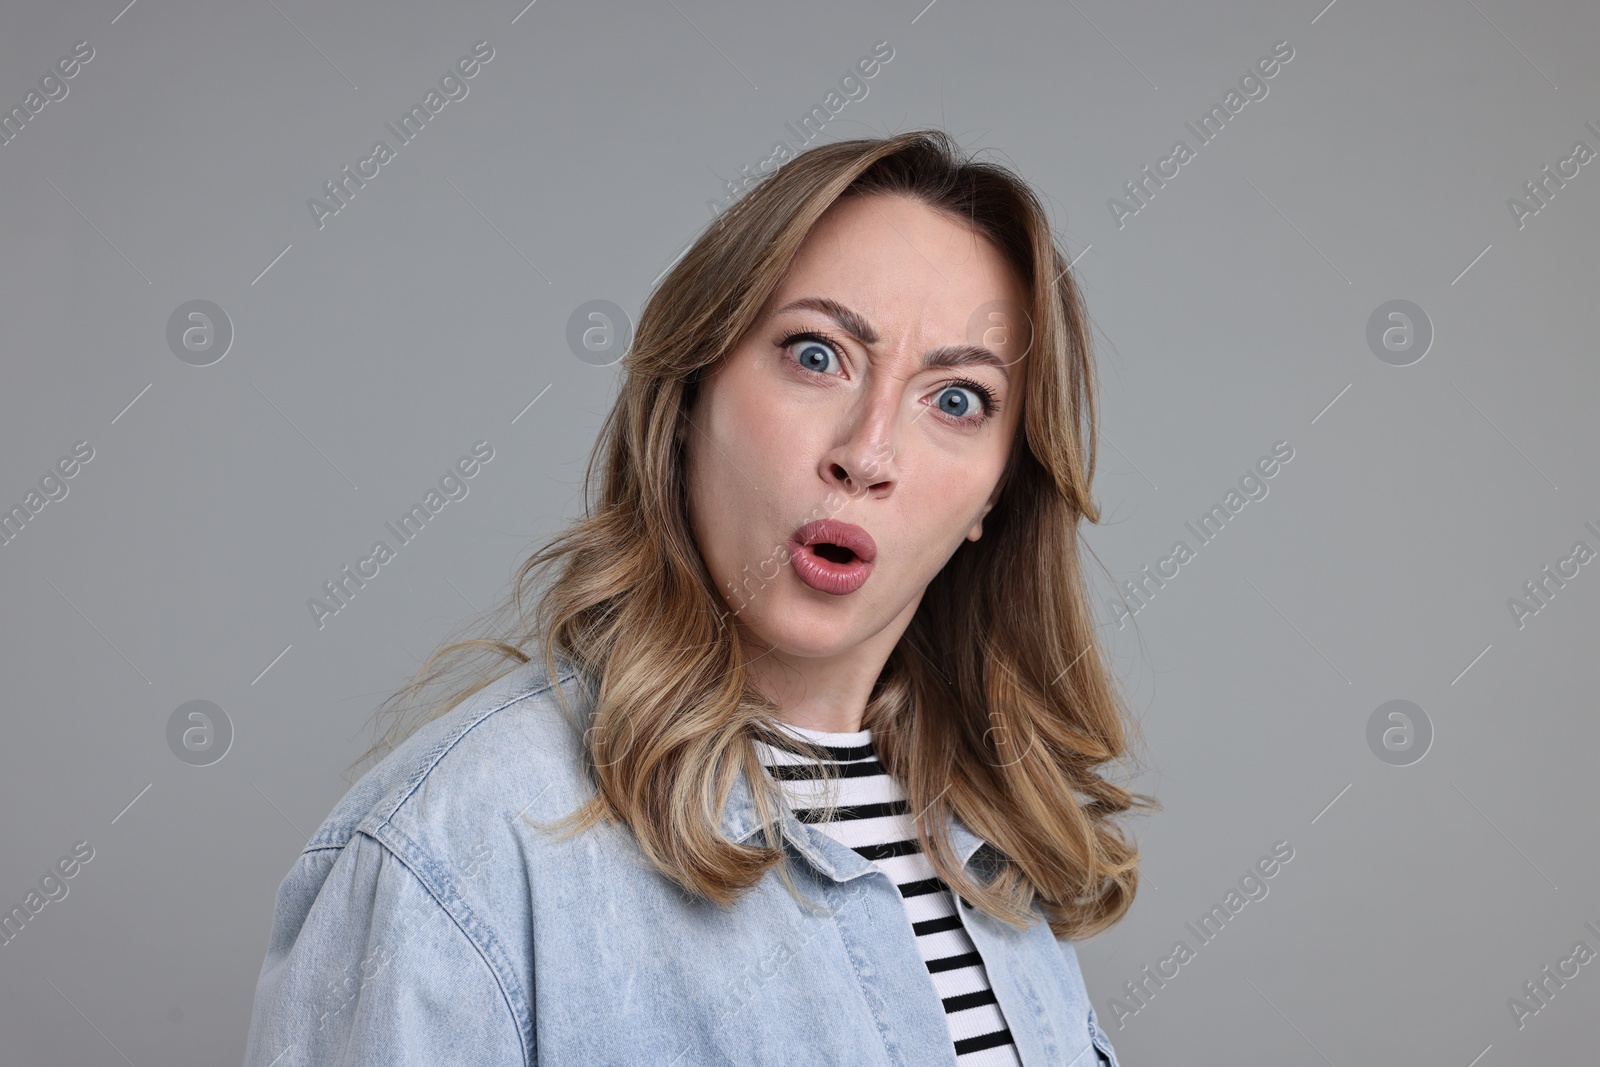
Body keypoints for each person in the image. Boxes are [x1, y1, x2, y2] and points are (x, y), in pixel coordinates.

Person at [242, 128, 1154, 1066]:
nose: (868, 453)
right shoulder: (457, 849)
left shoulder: (991, 838)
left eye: (956, 399)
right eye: (816, 354)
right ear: (690, 398)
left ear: (994, 496)